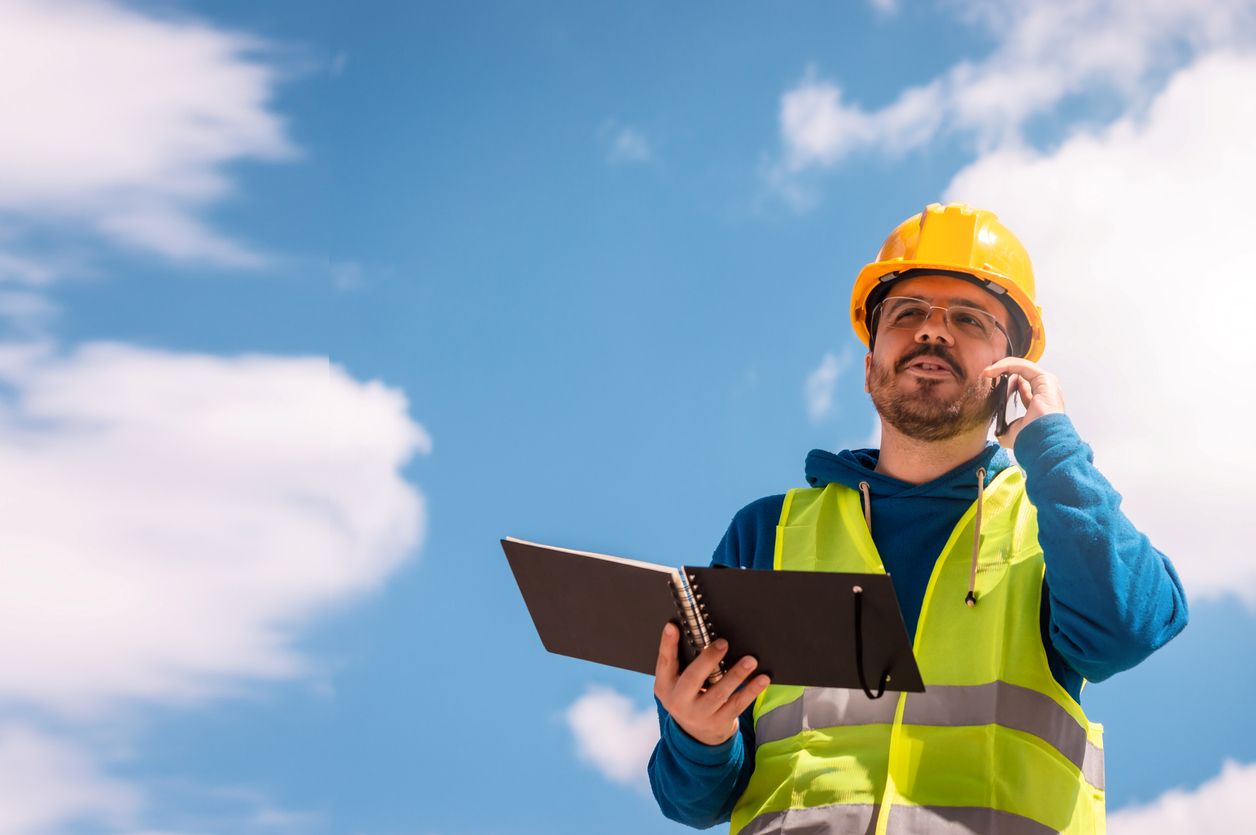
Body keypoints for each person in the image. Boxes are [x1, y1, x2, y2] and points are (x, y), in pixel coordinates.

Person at [647, 203, 1189, 835]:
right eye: (907, 315)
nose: (933, 332)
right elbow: (693, 801)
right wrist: (698, 735)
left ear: (1014, 370)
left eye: (968, 318)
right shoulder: (767, 531)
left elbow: (1130, 627)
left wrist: (1054, 446)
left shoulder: (1054, 524)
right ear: (870, 358)